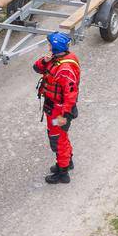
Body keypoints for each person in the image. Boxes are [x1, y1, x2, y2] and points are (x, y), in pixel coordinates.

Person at [33, 31, 81, 184]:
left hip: (59, 112)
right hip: (52, 108)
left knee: (58, 139)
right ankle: (67, 161)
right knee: (61, 137)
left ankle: (63, 172)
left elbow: (71, 94)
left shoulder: (65, 69)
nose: (47, 46)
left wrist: (64, 115)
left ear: (55, 47)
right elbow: (36, 68)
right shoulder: (56, 59)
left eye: (49, 44)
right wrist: (45, 60)